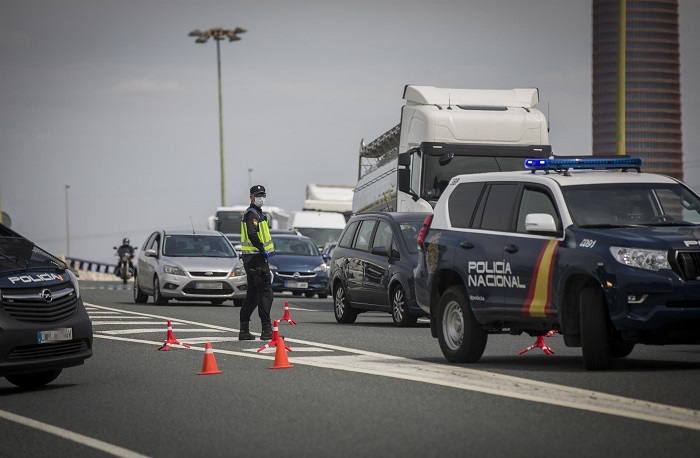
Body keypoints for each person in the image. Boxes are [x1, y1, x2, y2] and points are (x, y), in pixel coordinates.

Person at [239, 185, 275, 341]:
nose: (261, 197)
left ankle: (244, 330)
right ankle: (266, 330)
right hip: (256, 258)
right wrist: (261, 249)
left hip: (253, 258)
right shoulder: (252, 214)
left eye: (263, 194)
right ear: (251, 197)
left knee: (253, 295)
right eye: (258, 195)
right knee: (266, 293)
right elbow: (252, 234)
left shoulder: (258, 213)